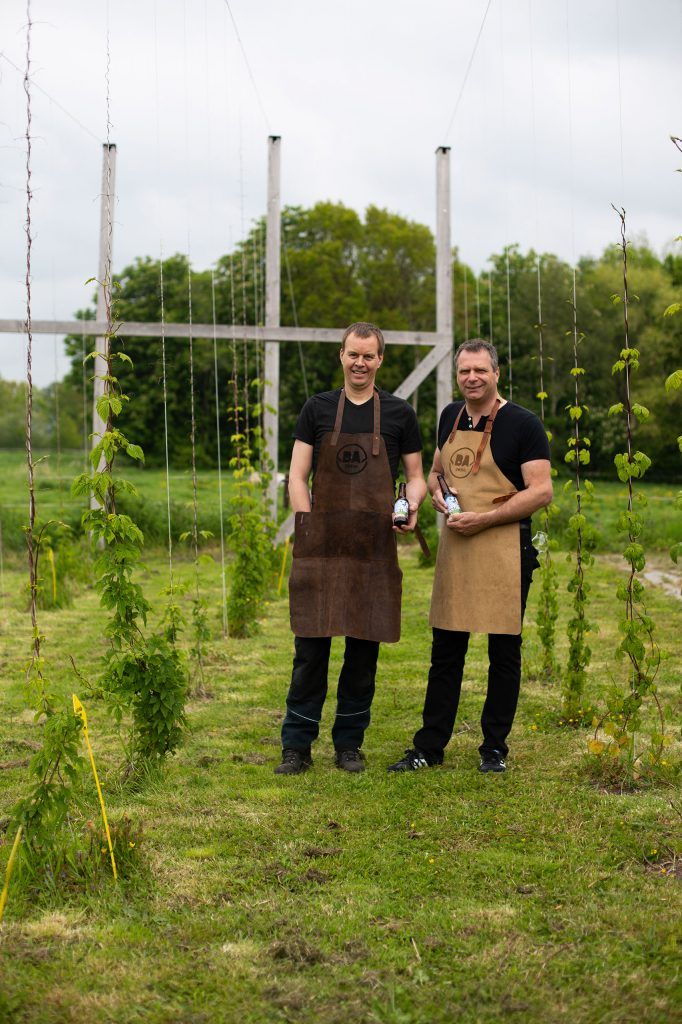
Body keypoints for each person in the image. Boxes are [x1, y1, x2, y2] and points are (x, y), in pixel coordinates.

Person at [388, 339, 552, 775]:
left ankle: (494, 748)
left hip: (504, 546)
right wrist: (440, 497)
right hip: (458, 545)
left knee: (503, 651)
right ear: (458, 375)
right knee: (446, 650)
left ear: (496, 372)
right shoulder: (451, 416)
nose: (472, 378)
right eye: (464, 371)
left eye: (480, 370)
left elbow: (542, 490)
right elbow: (439, 470)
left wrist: (487, 518)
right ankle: (429, 746)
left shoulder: (523, 423)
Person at [275, 322, 427, 775]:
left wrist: (411, 503)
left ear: (381, 360)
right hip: (321, 544)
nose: (360, 363)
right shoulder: (316, 409)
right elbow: (297, 476)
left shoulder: (400, 414)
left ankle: (349, 745)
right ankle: (296, 746)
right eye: (352, 354)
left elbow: (416, 476)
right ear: (341, 356)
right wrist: (306, 524)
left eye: (369, 356)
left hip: (373, 549)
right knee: (311, 651)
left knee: (363, 650)